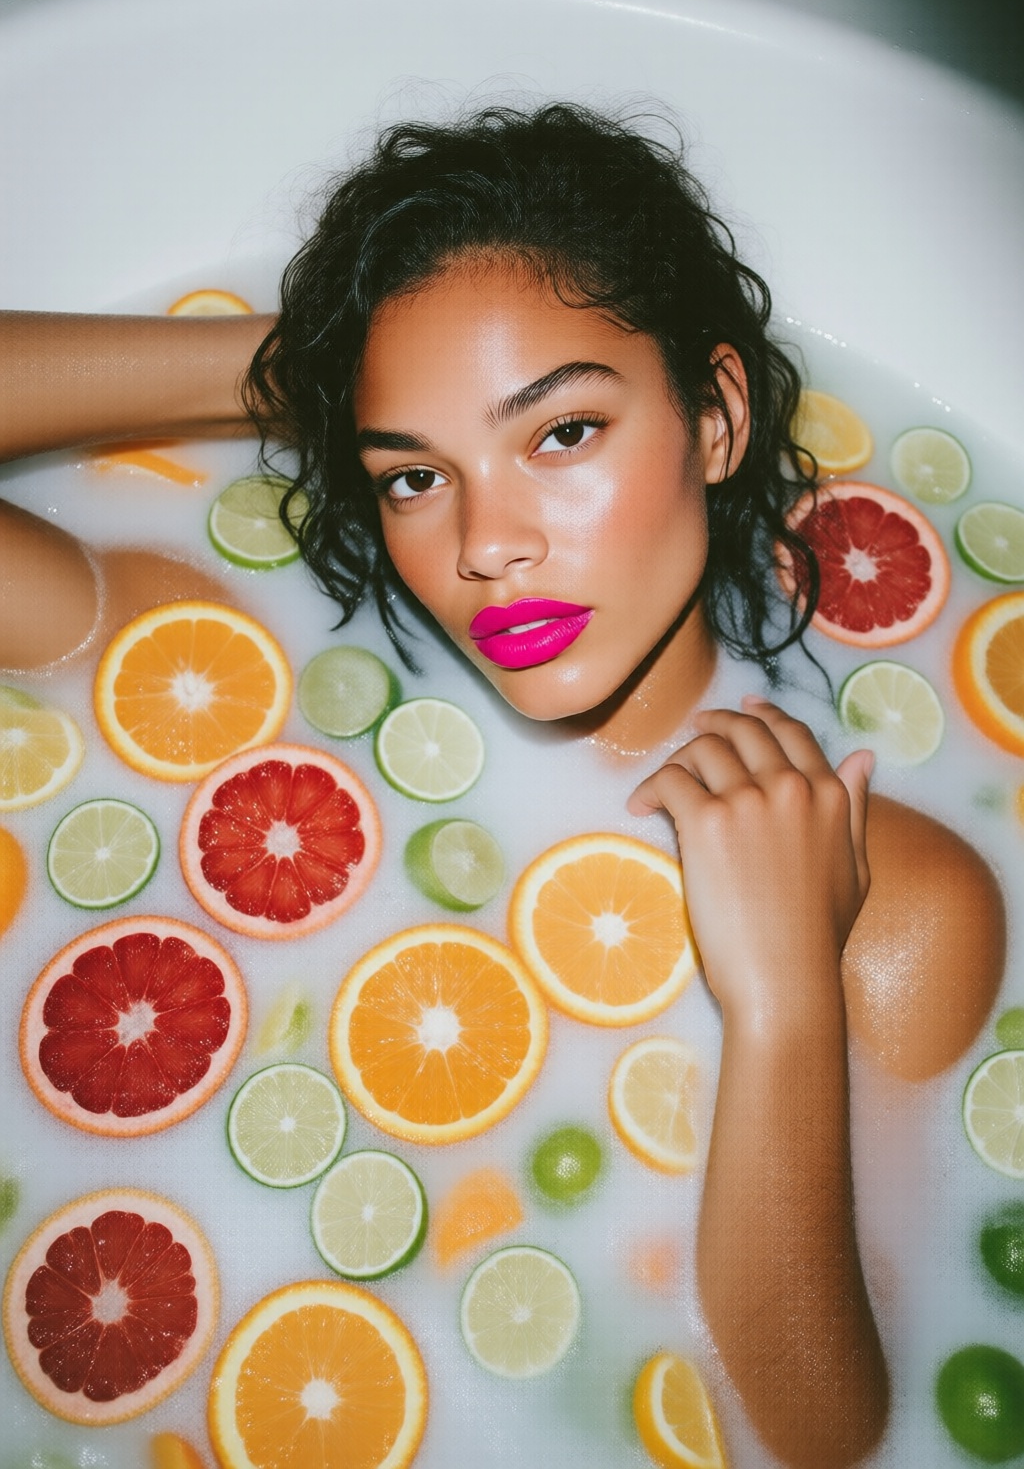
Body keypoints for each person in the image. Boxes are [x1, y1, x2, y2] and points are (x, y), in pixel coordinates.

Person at [0, 102, 1005, 1468]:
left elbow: (821, 1437)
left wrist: (782, 999)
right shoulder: (249, 674)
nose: (488, 544)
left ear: (715, 415)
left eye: (562, 435)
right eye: (416, 475)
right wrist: (322, 363)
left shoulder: (901, 897)